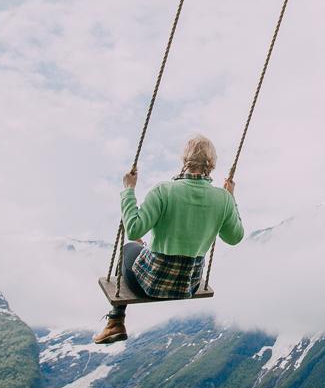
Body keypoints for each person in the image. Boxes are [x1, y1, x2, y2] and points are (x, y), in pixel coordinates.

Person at [93, 134, 244, 344]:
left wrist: (129, 190)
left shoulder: (164, 190)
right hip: (188, 286)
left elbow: (134, 229)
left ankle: (115, 321)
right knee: (141, 246)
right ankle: (116, 320)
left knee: (130, 246)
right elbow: (234, 237)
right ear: (212, 164)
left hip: (150, 285)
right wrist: (231, 199)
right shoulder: (223, 198)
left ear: (184, 161)